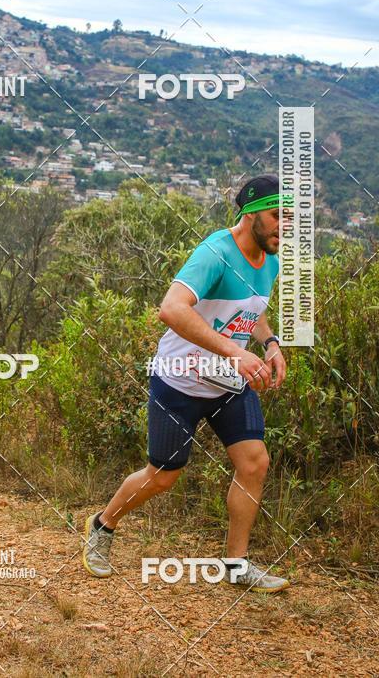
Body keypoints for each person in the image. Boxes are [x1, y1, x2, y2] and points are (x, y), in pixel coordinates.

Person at [83, 175, 291, 593]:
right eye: (275, 216)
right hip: (180, 379)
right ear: (250, 214)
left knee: (255, 462)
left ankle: (236, 563)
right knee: (162, 476)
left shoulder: (270, 258)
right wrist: (236, 351)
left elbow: (254, 309)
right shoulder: (216, 252)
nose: (283, 227)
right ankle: (103, 525)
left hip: (228, 382)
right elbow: (171, 309)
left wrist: (269, 344)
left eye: (289, 217)